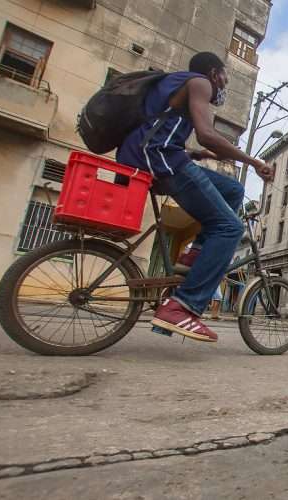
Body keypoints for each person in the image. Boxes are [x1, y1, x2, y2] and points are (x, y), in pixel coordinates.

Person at [117, 52, 274, 342]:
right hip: (157, 159)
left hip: (152, 156)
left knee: (233, 190)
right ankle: (182, 306)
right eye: (225, 75)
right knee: (231, 227)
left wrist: (194, 154)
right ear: (215, 73)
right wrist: (253, 162)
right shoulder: (200, 83)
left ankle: (195, 255)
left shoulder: (175, 83)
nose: (225, 82)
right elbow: (206, 134)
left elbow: (161, 127)